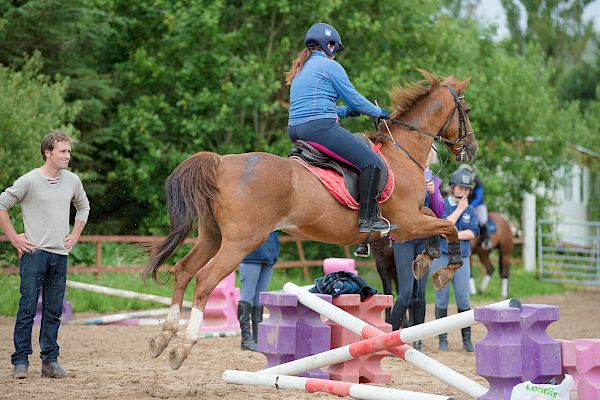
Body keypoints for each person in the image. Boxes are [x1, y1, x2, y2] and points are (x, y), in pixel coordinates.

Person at [286, 22, 396, 234]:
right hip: (319, 129)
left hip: (296, 130)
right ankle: (368, 219)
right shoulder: (330, 67)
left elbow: (317, 106)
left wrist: (345, 112)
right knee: (372, 163)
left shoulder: (301, 70)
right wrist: (379, 112)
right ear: (329, 45)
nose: (335, 54)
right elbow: (355, 100)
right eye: (335, 48)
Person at [0, 130, 90, 379]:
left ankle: (50, 361)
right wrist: (14, 238)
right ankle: (20, 361)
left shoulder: (73, 180)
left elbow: (83, 206)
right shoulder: (28, 180)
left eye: (69, 151)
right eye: (63, 151)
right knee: (27, 307)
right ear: (48, 152)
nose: (68, 155)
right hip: (34, 254)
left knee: (53, 311)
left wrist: (75, 235)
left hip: (59, 255)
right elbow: (1, 205)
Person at [388, 151, 444, 351]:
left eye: (429, 153)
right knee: (405, 293)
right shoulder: (402, 174)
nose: (426, 155)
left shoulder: (434, 180)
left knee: (420, 293)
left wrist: (433, 192)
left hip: (425, 241)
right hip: (403, 239)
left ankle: (417, 338)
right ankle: (391, 341)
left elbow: (439, 212)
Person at [429, 168, 479, 353]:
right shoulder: (441, 205)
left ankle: (467, 339)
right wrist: (458, 211)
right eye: (460, 188)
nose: (464, 192)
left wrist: (453, 234)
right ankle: (443, 339)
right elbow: (443, 227)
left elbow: (473, 233)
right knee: (441, 300)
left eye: (467, 189)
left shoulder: (471, 211)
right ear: (452, 187)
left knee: (463, 299)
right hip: (442, 257)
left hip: (461, 259)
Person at [238, 231, 280, 351]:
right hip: (252, 256)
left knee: (260, 298)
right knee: (247, 296)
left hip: (270, 255)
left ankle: (258, 337)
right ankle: (246, 338)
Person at [458, 164, 492, 250]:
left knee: (482, 220)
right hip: (464, 204)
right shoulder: (459, 183)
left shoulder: (477, 182)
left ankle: (487, 239)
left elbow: (478, 197)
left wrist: (470, 206)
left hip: (477, 205)